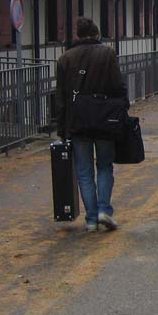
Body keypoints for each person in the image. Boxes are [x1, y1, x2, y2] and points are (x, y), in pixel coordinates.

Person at [55, 17, 126, 233]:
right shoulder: (108, 54)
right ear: (96, 34)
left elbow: (61, 98)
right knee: (104, 166)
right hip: (105, 118)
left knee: (84, 172)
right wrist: (121, 110)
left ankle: (91, 220)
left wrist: (62, 128)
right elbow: (118, 86)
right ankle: (104, 209)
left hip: (77, 121)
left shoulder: (65, 59)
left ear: (77, 35)